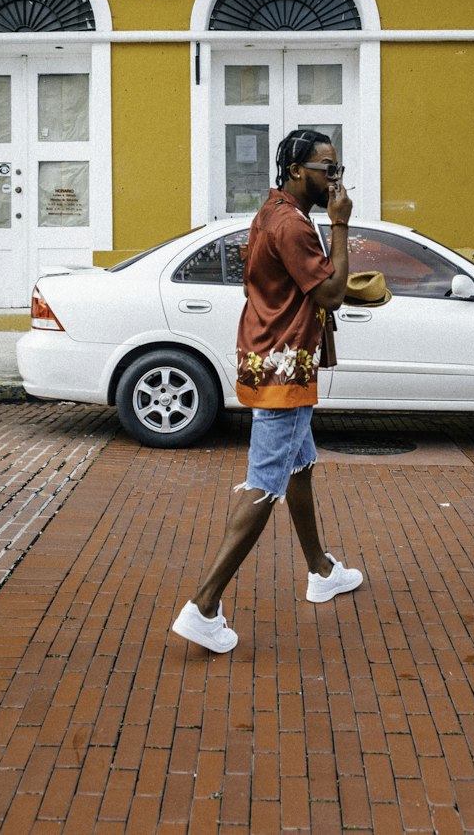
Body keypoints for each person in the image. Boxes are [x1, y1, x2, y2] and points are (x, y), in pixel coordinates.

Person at [172, 129, 363, 654]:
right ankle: (204, 607)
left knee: (299, 465)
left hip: (272, 355)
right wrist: (341, 227)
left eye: (338, 169)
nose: (336, 179)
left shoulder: (273, 213)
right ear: (299, 171)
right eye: (329, 169)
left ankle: (321, 570)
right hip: (284, 366)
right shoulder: (293, 224)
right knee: (264, 485)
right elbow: (330, 293)